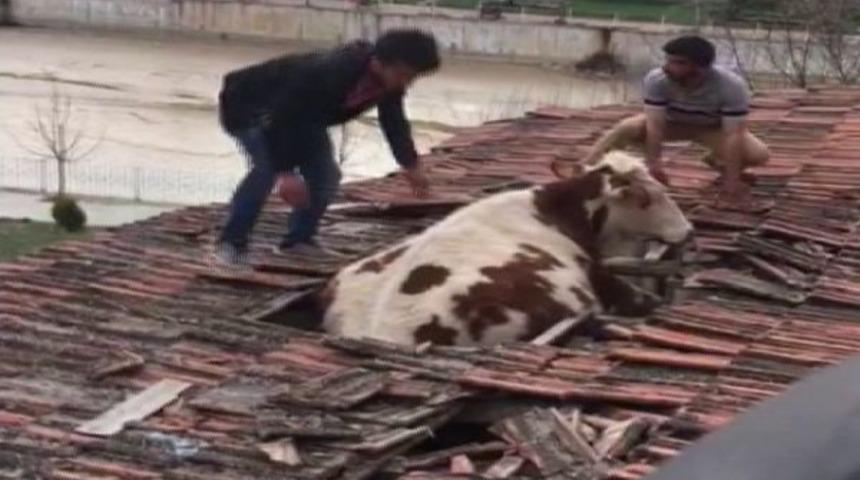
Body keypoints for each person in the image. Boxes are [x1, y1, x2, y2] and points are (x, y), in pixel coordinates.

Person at [213, 29, 440, 267]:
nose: (406, 83)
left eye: (411, 78)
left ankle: (299, 241)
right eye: (403, 74)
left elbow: (393, 121)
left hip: (306, 118)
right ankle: (231, 244)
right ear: (380, 62)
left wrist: (410, 163)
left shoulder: (389, 83)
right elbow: (283, 116)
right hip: (252, 109)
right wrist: (285, 172)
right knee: (265, 172)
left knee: (326, 175)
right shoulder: (332, 70)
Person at [584, 35, 769, 204]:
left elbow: (733, 135)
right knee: (626, 127)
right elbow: (654, 125)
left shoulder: (731, 86)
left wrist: (732, 181)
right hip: (671, 124)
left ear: (700, 68)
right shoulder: (657, 79)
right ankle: (586, 169)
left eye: (678, 63)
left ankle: (718, 162)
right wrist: (654, 166)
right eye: (668, 60)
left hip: (711, 128)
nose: (667, 67)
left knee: (758, 154)